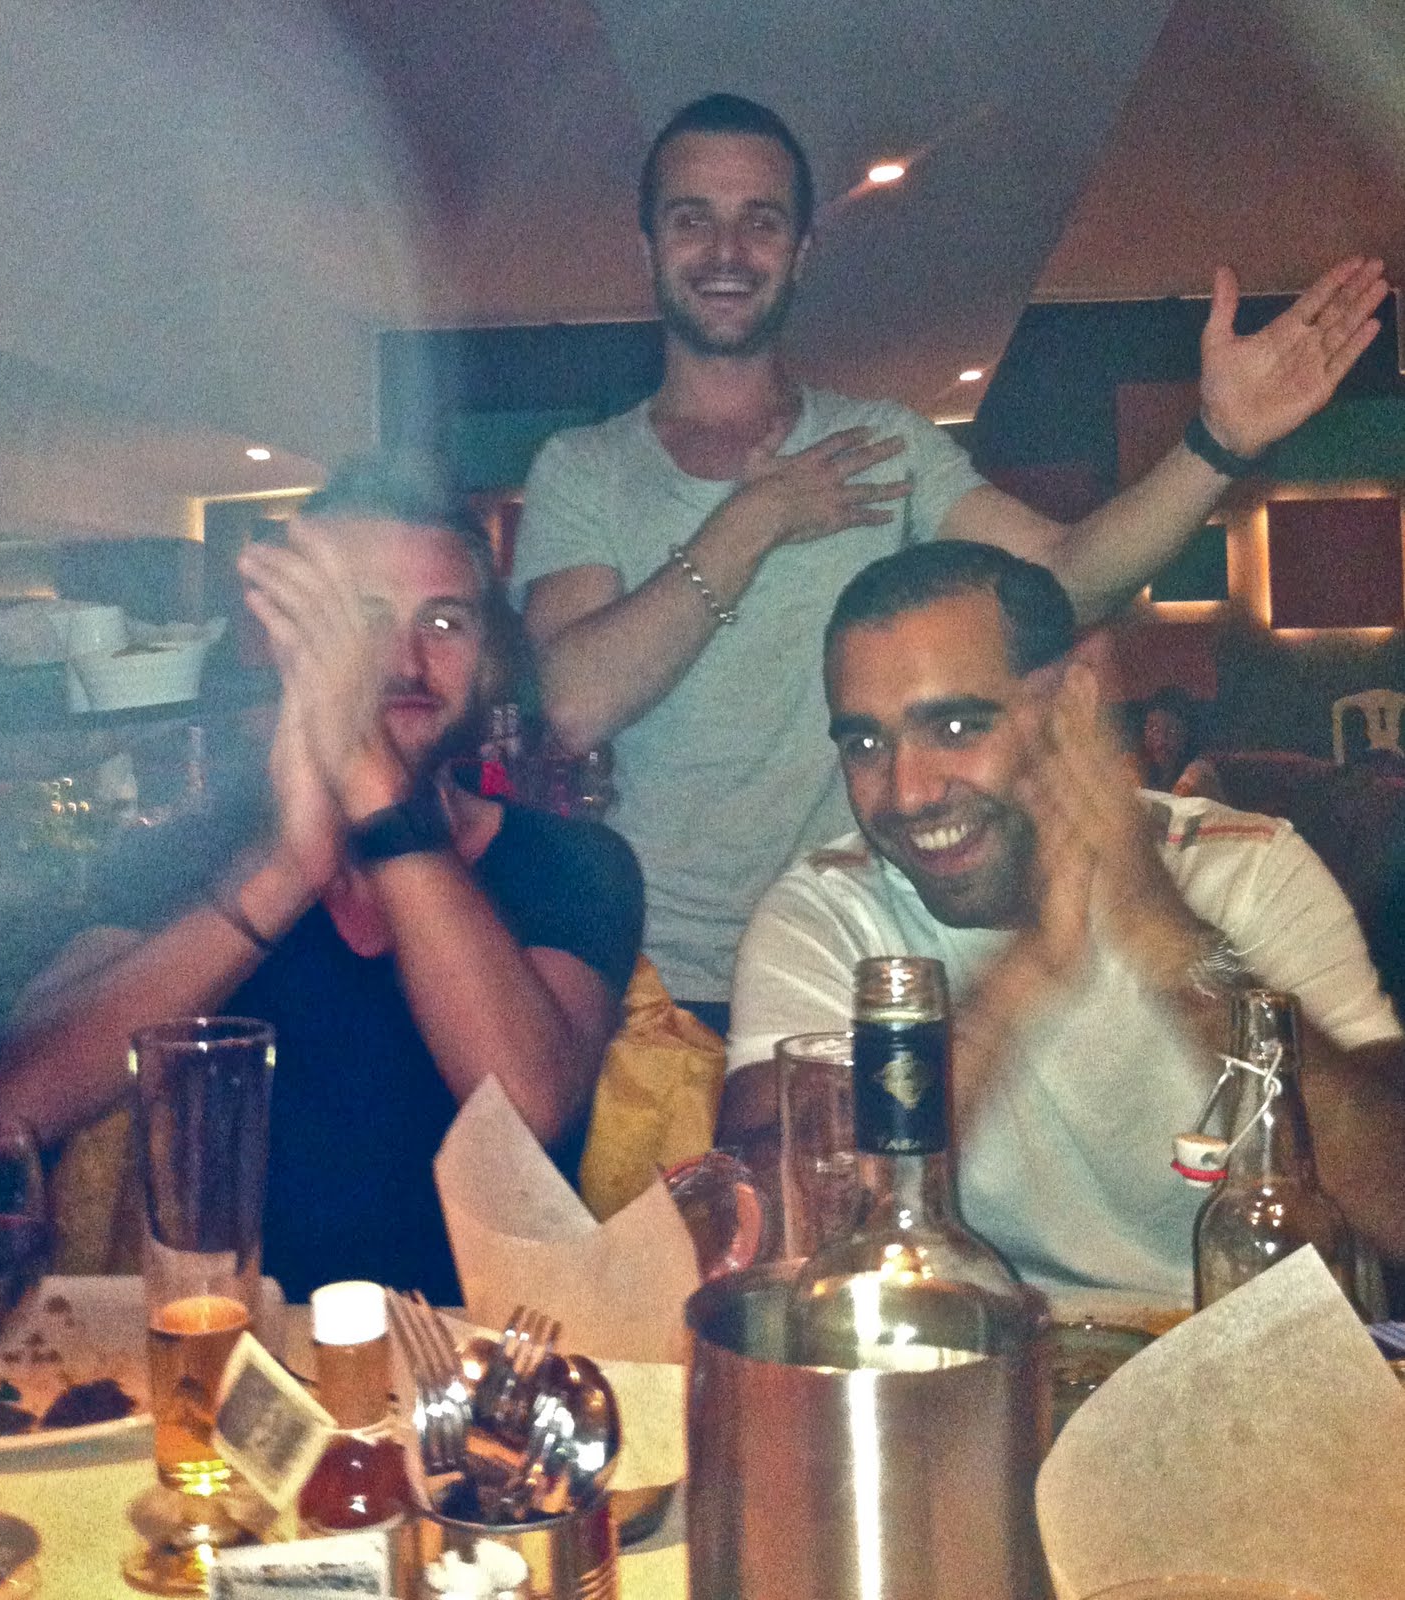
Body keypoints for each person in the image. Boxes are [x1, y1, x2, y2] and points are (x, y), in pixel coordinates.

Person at [514, 91, 1388, 1030]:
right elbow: (575, 701)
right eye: (693, 219)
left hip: (865, 959)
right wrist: (755, 518)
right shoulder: (584, 467)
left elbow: (1064, 579)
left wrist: (1215, 445)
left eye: (759, 221)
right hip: (653, 981)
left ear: (801, 251)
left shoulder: (880, 445)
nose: (726, 251)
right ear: (649, 246)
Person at [0, 454, 644, 1302]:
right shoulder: (180, 854)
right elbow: (20, 1106)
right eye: (359, 619)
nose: (407, 659)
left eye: (445, 622)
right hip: (224, 1351)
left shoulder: (570, 861)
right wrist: (290, 866)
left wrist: (366, 777)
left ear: (487, 660)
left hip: (486, 1359)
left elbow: (525, 1109)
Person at [723, 540, 1405, 1299]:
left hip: (1253, 1352)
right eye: (866, 743)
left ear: (1072, 705)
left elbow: (1394, 1203)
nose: (908, 792)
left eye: (957, 728)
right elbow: (766, 1244)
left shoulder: (1243, 870)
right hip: (977, 1357)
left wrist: (1174, 942)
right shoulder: (827, 913)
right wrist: (1018, 980)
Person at [1136, 684, 1225, 800]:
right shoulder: (1139, 765)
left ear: (1187, 735)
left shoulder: (1199, 772)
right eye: (1154, 729)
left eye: (1171, 731)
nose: (1160, 742)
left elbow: (1174, 804)